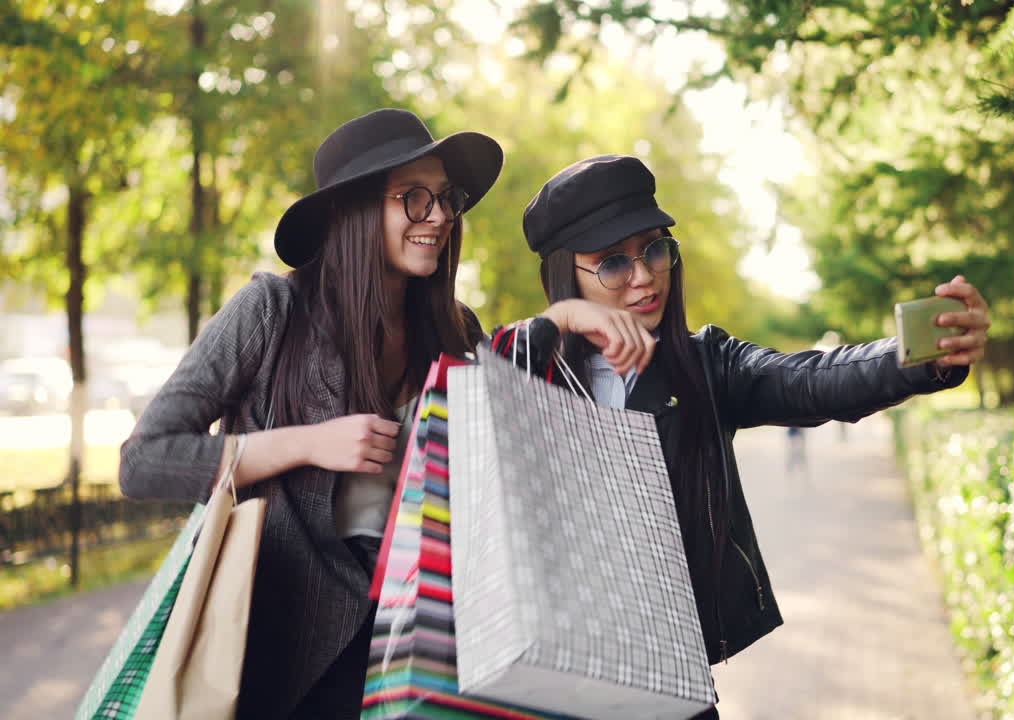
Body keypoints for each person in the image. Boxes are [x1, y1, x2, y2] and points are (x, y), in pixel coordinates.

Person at [117, 111, 653, 719]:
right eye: (413, 198)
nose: (440, 217)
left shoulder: (455, 329)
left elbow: (510, 422)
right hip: (289, 646)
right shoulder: (272, 312)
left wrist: (564, 321)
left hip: (423, 639)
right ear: (354, 211)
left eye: (446, 200)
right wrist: (307, 443)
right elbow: (144, 461)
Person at [496, 154, 992, 714]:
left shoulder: (704, 366)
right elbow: (442, 409)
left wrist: (920, 358)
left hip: (666, 680)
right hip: (541, 678)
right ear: (564, 275)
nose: (643, 277)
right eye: (612, 263)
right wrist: (557, 324)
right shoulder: (518, 367)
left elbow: (811, 380)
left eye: (655, 249)